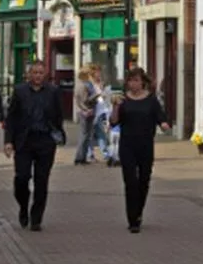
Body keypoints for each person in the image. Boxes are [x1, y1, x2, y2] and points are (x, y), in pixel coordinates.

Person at [3, 61, 64, 232]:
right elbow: (12, 118)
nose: (37, 76)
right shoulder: (20, 91)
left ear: (45, 74)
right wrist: (8, 141)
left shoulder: (52, 91)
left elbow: (58, 116)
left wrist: (57, 133)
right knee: (22, 178)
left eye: (40, 73)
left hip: (45, 140)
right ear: (28, 75)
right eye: (34, 73)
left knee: (41, 181)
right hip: (24, 141)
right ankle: (23, 206)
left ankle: (36, 218)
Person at [110, 66, 170, 233]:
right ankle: (132, 219)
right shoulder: (123, 100)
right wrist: (115, 107)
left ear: (143, 82)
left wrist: (164, 125)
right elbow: (114, 122)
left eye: (136, 80)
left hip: (145, 145)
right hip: (127, 145)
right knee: (130, 182)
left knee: (144, 180)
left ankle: (139, 211)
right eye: (130, 80)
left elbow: (161, 117)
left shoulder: (151, 100)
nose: (133, 84)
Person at [72, 67, 101, 165]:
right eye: (89, 74)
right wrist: (96, 95)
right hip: (86, 112)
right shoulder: (84, 85)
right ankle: (80, 158)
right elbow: (85, 100)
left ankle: (82, 157)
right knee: (84, 135)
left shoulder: (82, 84)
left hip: (85, 111)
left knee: (87, 135)